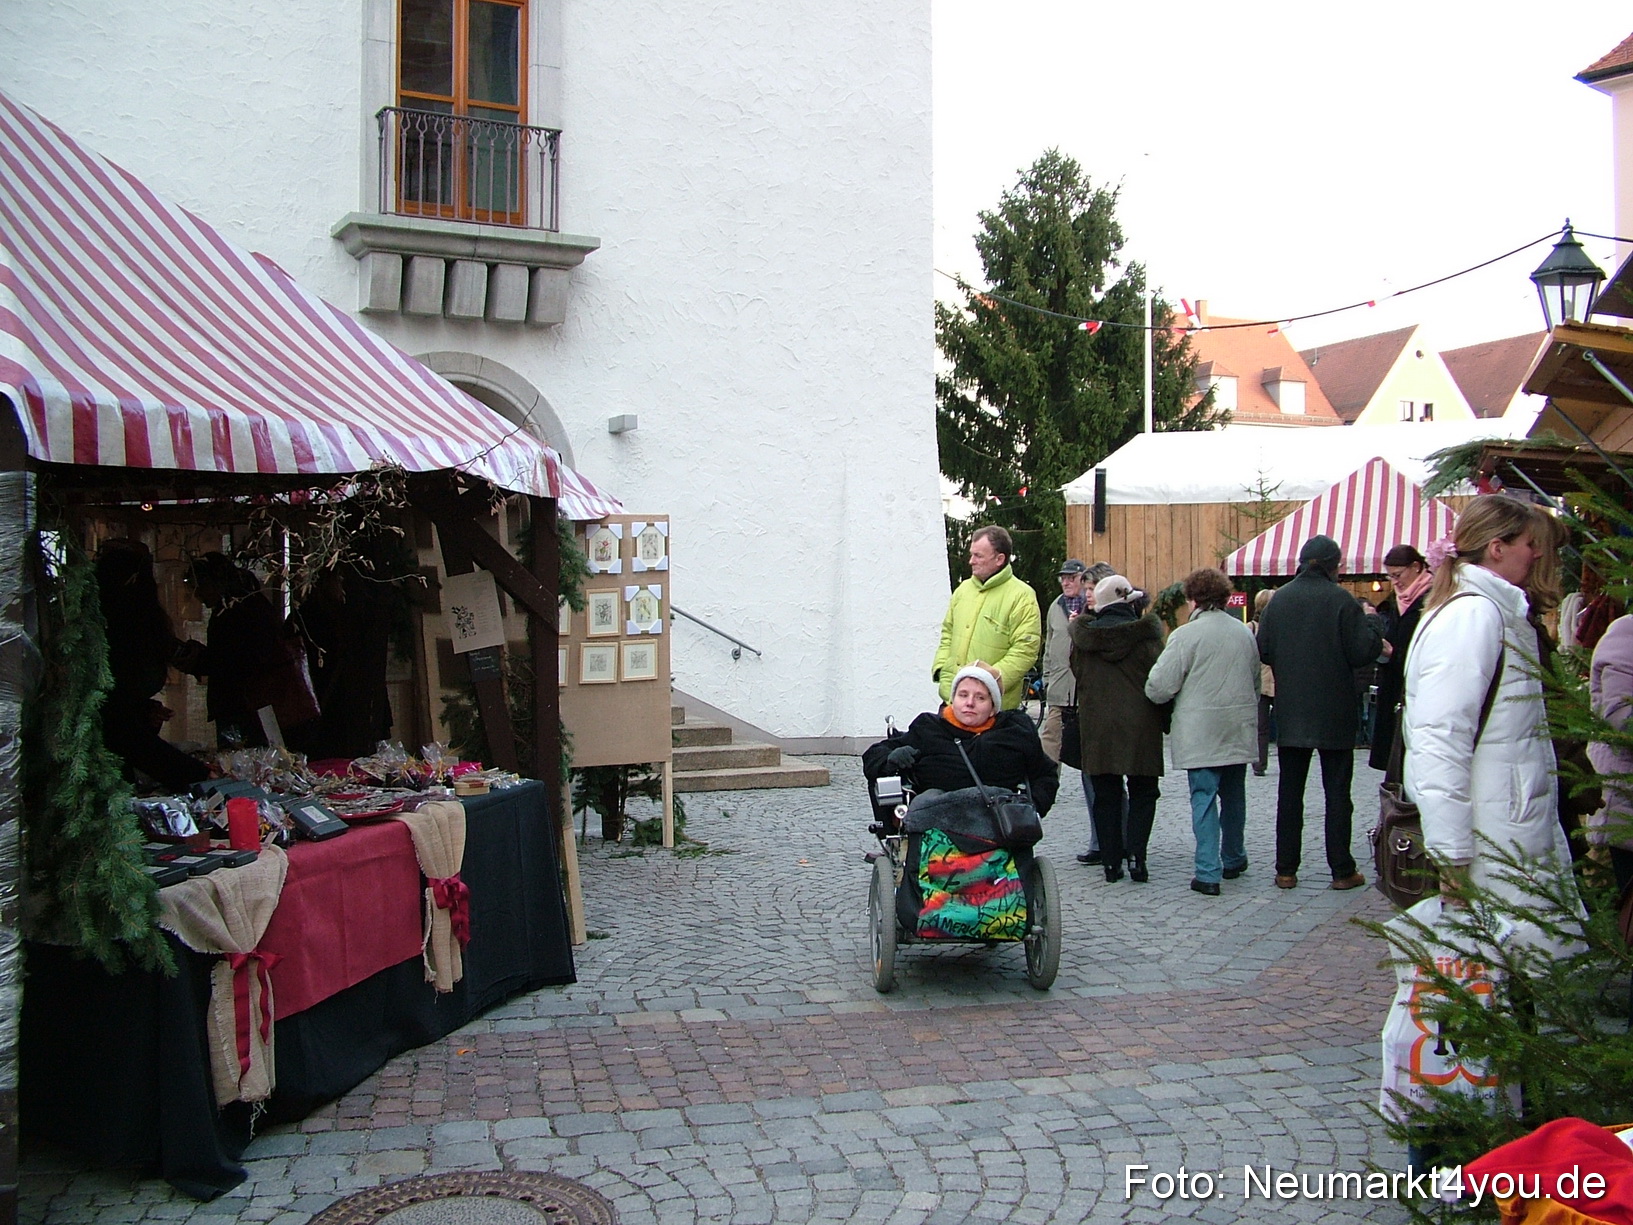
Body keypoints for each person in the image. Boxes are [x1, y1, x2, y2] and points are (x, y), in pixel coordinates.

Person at [1404, 496, 1574, 918]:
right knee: (1499, 966)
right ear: (1497, 548)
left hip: (1506, 826)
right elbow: (1439, 738)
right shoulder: (1474, 615)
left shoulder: (1494, 610)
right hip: (1492, 836)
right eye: (1529, 543)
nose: (1537, 554)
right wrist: (1452, 856)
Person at [1255, 534, 1384, 891]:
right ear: (1332, 565)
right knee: (1337, 794)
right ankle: (1341, 870)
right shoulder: (1342, 600)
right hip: (1335, 712)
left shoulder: (1280, 602)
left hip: (1292, 710)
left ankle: (1285, 869)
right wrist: (1373, 623)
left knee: (1289, 792)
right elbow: (1362, 652)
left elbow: (1263, 650)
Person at [1144, 568, 1260, 896]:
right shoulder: (1243, 633)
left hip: (1200, 731)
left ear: (1193, 598)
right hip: (1236, 727)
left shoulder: (1186, 635)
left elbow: (1159, 686)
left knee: (1204, 797)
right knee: (1235, 795)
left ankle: (1208, 871)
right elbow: (1253, 681)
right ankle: (1234, 856)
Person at [94, 539, 212, 790]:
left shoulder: (132, 624)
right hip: (111, 758)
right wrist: (198, 776)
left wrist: (143, 709)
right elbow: (120, 727)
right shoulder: (121, 627)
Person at [1070, 573, 1165, 883]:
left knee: (1106, 794)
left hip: (1098, 726)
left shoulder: (1084, 642)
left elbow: (1077, 674)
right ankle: (1137, 857)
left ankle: (1111, 863)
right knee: (1143, 792)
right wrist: (1167, 718)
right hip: (1142, 724)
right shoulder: (1148, 639)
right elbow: (1160, 681)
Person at [179, 552, 320, 750]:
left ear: (215, 581)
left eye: (199, 585)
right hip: (254, 707)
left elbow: (237, 661)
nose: (197, 594)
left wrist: (202, 661)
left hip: (249, 708)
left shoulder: (237, 612)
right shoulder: (247, 605)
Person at [890, 666, 1058, 814]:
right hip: (935, 829)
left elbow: (1045, 775)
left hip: (1000, 831)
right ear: (953, 700)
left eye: (980, 697)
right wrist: (892, 759)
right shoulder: (928, 728)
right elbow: (876, 755)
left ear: (993, 708)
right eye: (963, 695)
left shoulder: (1014, 733)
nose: (969, 703)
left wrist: (1032, 809)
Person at [1041, 558, 1114, 864]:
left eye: (1071, 577)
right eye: (1063, 578)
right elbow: (1048, 646)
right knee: (1044, 757)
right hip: (1058, 696)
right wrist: (1045, 681)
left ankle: (1103, 840)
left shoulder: (1093, 608)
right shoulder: (1055, 607)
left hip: (1087, 699)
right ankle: (1031, 818)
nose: (1066, 582)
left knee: (1092, 772)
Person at [932, 526, 1041, 711]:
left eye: (978, 556)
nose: (971, 561)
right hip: (952, 703)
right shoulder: (963, 590)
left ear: (1000, 559)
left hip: (993, 711)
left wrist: (988, 682)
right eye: (971, 554)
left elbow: (1025, 651)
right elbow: (947, 633)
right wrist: (943, 669)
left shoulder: (1022, 597)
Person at [1368, 544, 1432, 772]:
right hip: (1395, 686)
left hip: (1419, 690)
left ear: (1416, 567)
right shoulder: (1399, 600)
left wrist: (1394, 653)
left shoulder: (1430, 598)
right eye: (1390, 577)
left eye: (1398, 575)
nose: (1395, 582)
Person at [1250, 588, 1275, 776]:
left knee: (1261, 726)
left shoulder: (1252, 627)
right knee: (1262, 725)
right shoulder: (1251, 627)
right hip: (1265, 680)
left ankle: (1260, 763)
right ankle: (1259, 763)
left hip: (1265, 680)